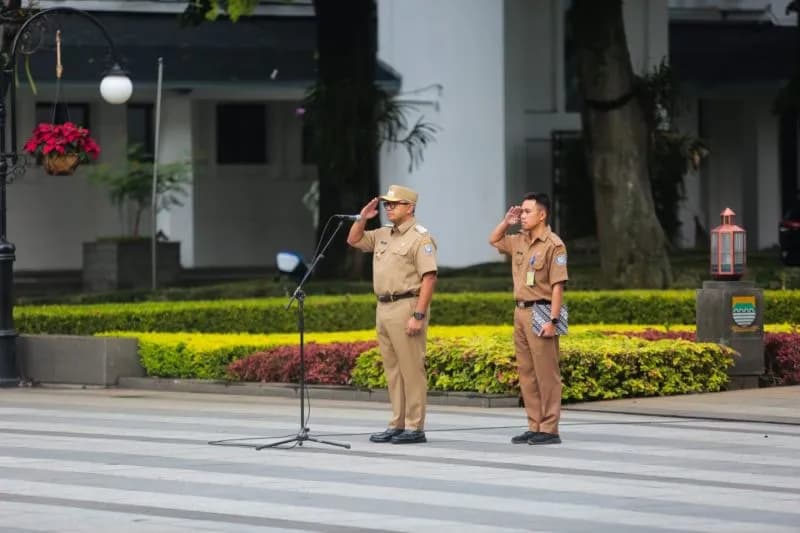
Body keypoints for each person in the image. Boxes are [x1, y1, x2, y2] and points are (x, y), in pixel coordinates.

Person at [347, 184, 437, 444]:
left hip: (406, 305)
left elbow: (429, 279)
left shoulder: (421, 238)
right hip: (383, 306)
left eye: (394, 204)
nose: (389, 207)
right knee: (393, 370)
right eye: (387, 204)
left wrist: (418, 315)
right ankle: (397, 423)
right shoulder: (383, 234)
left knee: (411, 369)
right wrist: (362, 219)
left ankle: (414, 426)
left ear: (410, 208)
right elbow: (354, 240)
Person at [488, 192, 568, 445]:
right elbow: (494, 239)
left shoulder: (554, 244)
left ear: (542, 214)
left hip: (543, 310)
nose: (522, 216)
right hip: (520, 310)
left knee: (547, 373)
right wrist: (505, 221)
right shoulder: (519, 241)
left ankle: (550, 428)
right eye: (521, 211)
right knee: (527, 372)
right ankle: (534, 424)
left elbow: (558, 286)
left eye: (527, 211)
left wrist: (553, 321)